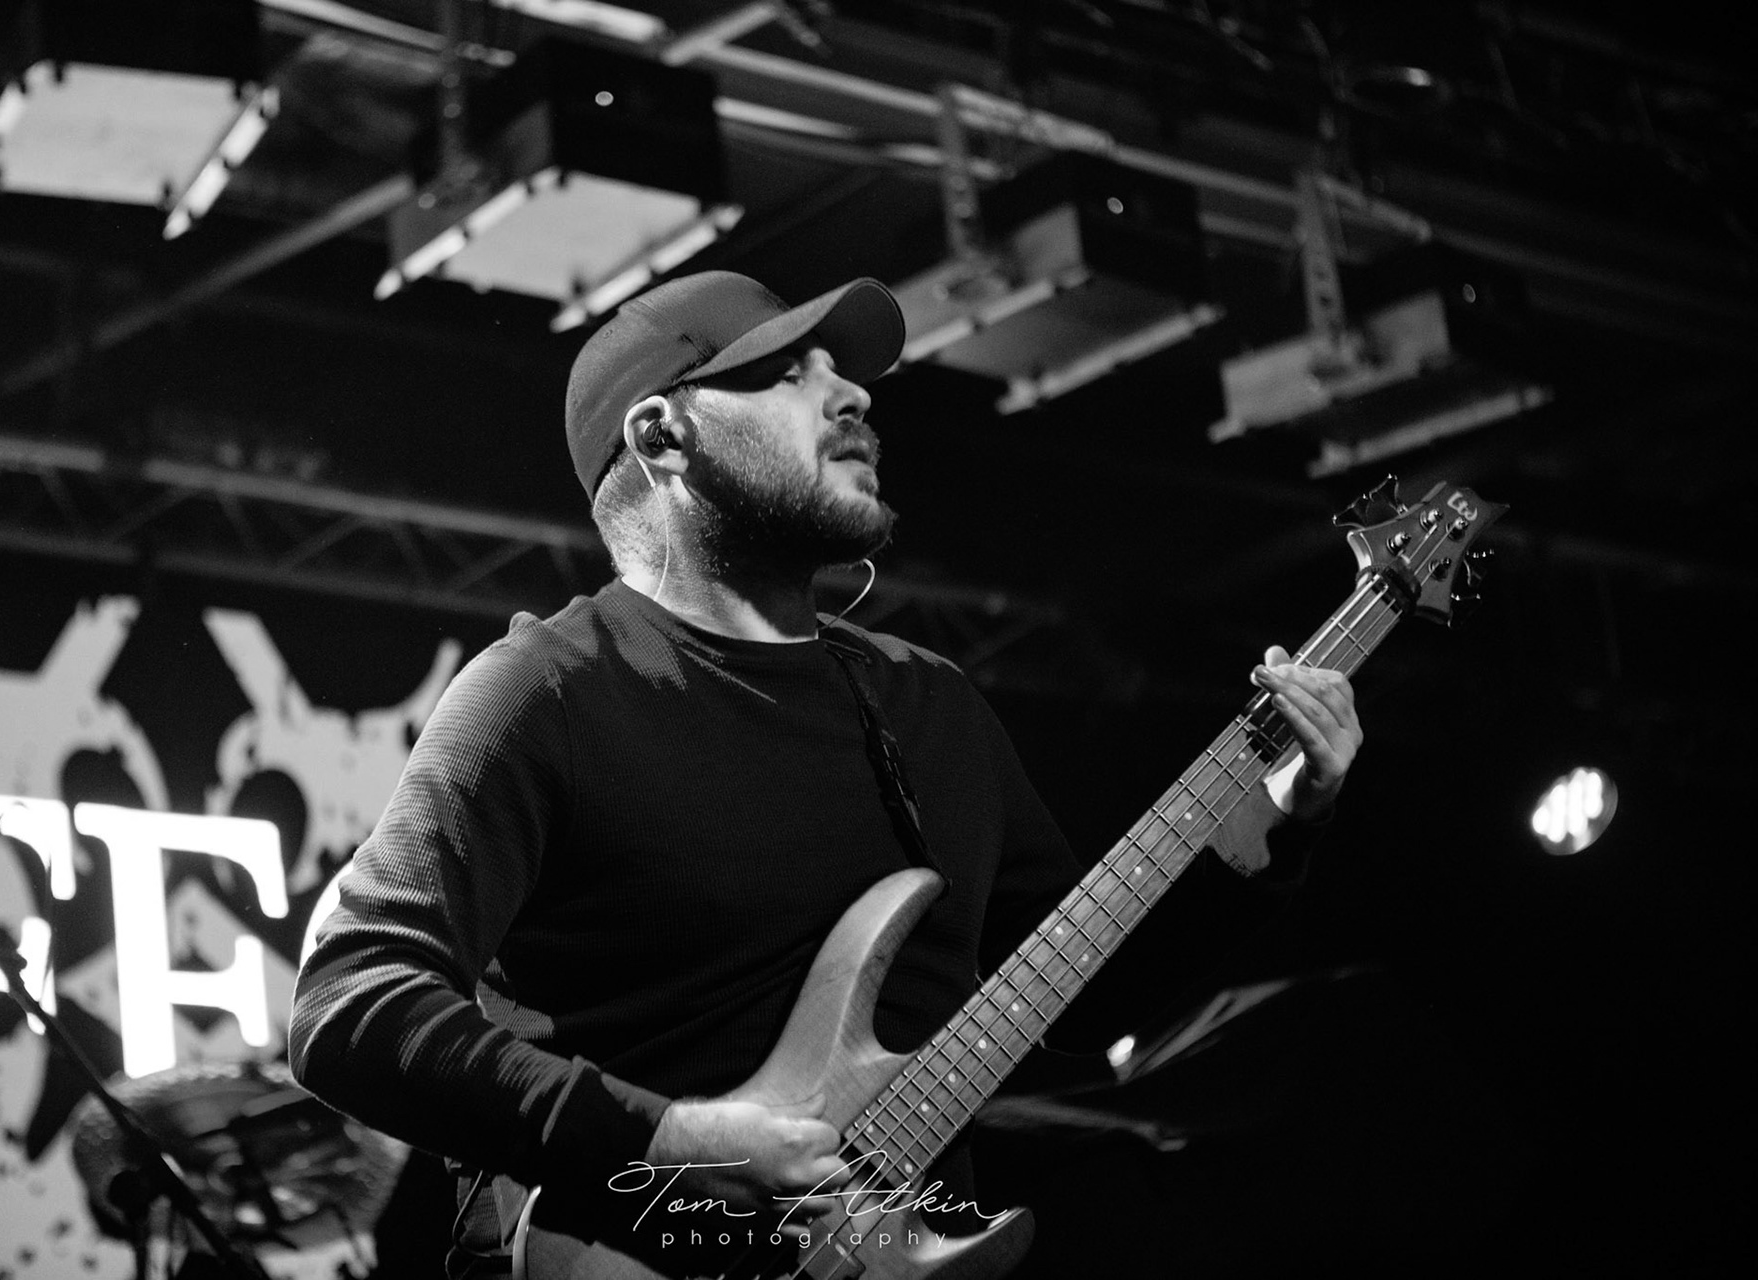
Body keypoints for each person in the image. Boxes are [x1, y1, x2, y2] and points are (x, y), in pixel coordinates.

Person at [287, 271, 1362, 1277]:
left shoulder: (929, 705)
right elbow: (349, 1001)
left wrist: (1279, 820)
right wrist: (666, 1139)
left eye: (838, 370)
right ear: (662, 437)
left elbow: (1086, 999)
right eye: (787, 373)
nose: (851, 394)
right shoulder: (547, 690)